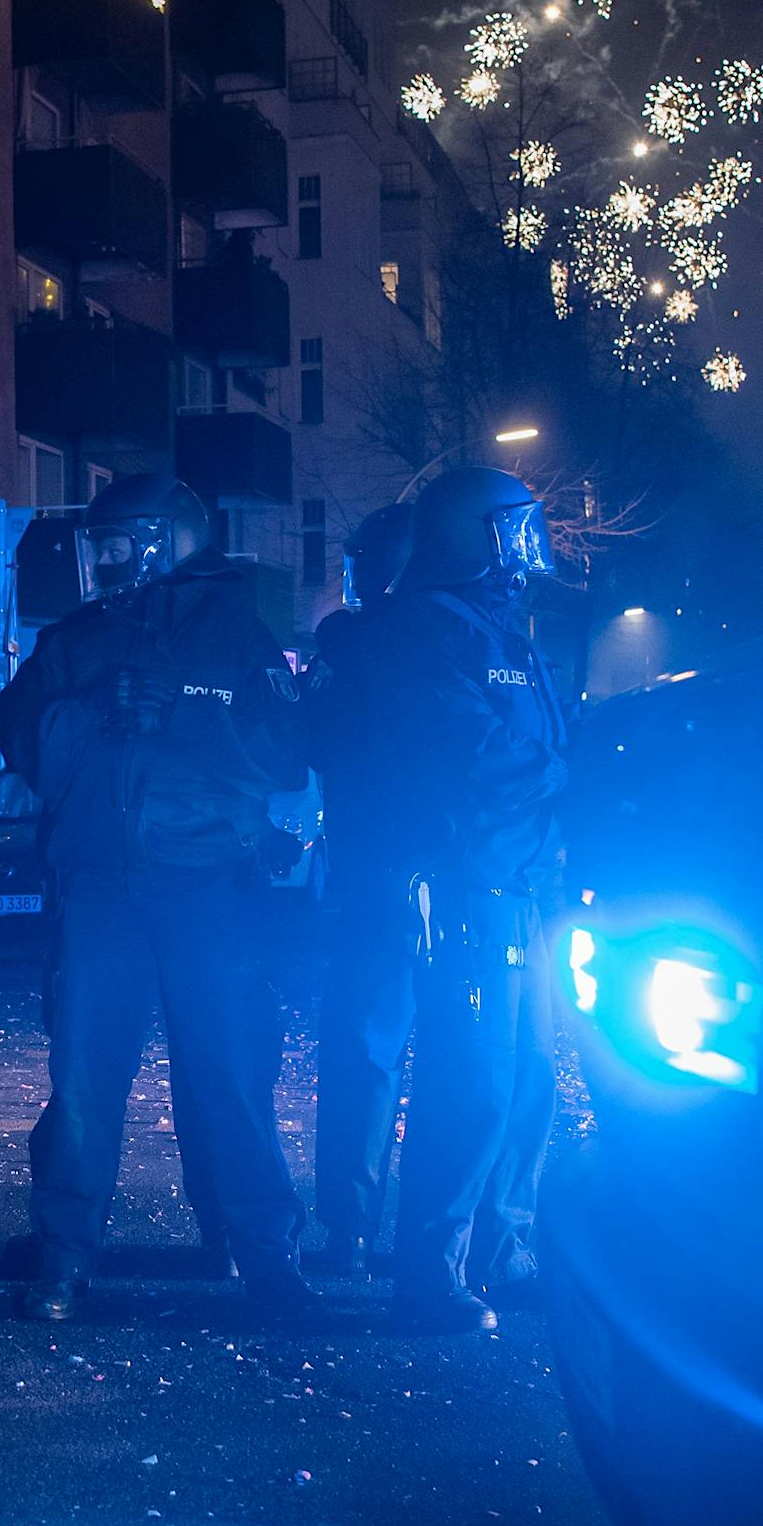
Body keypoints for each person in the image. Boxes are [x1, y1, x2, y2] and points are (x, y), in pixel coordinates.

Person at [0, 473, 316, 1323]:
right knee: (83, 1085)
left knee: (232, 1080)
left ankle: (261, 1256)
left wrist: (187, 716)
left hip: (210, 890)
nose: (100, 563)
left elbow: (285, 757)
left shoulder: (236, 633)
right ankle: (64, 1260)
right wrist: (90, 706)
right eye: (94, 547)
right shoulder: (75, 641)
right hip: (99, 892)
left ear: (163, 538)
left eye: (114, 544)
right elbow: (24, 747)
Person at [370, 467, 567, 1333]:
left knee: (529, 1085)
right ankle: (429, 1271)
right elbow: (473, 757)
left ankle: (502, 1251)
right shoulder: (424, 635)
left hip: (525, 888)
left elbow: (541, 750)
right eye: (514, 530)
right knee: (472, 1084)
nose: (529, 548)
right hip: (465, 890)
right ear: (473, 536)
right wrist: (573, 777)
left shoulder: (504, 637)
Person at [307, 503, 415, 1278]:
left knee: (364, 1060)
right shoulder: (471, 640)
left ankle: (348, 1229)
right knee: (467, 1063)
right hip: (453, 880)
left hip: (372, 881)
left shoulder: (349, 641)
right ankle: (457, 1243)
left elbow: (311, 740)